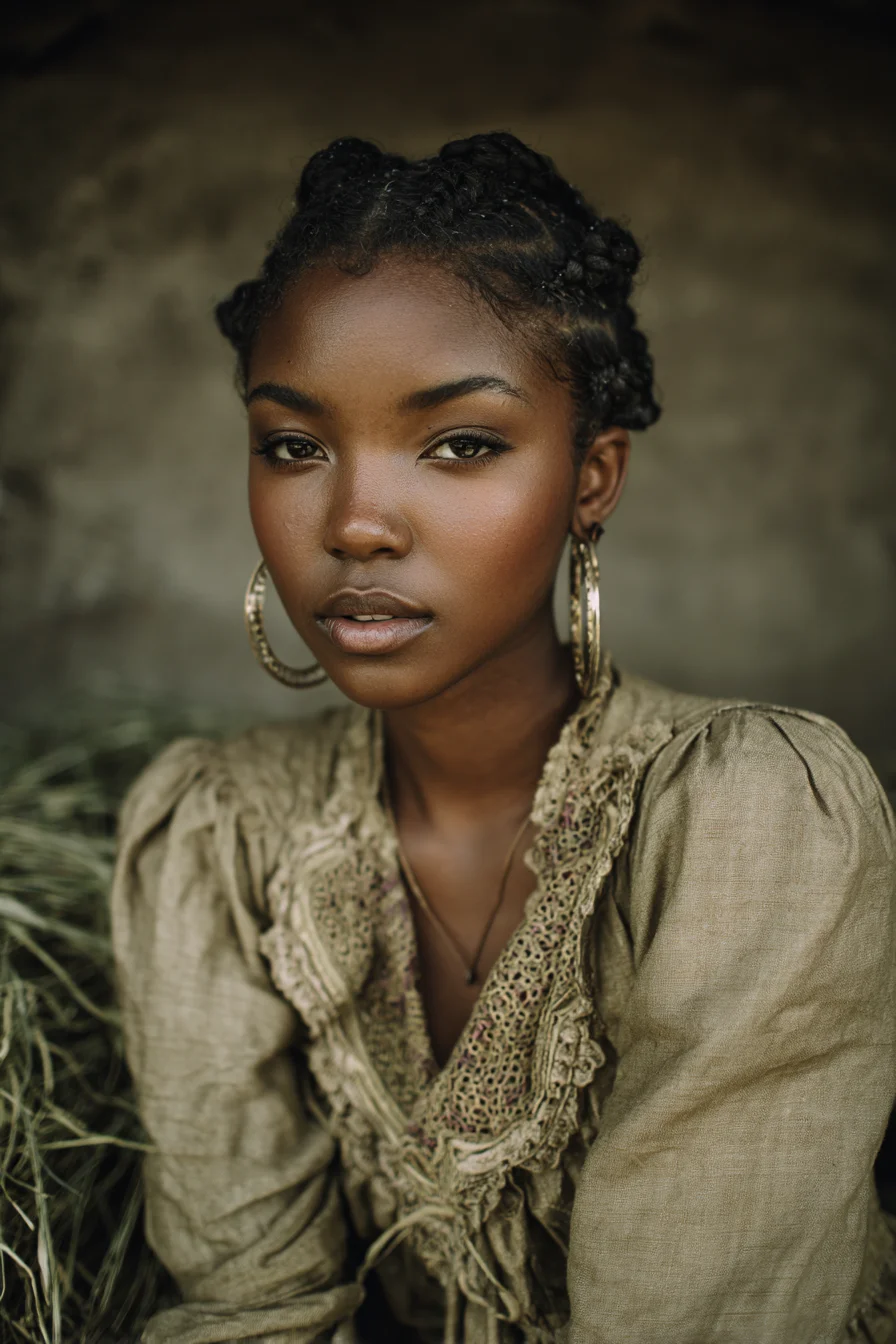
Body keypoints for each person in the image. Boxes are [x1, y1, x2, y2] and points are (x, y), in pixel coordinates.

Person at [110, 133, 896, 1344]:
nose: (356, 522)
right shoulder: (221, 837)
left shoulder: (745, 817)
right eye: (293, 444)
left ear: (591, 478)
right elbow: (245, 1314)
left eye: (460, 443)